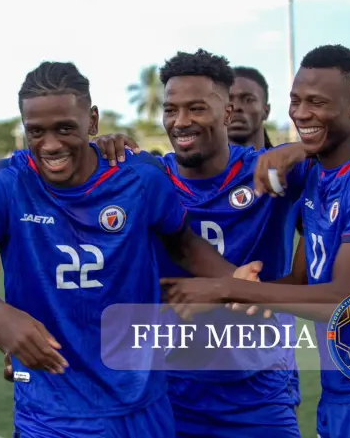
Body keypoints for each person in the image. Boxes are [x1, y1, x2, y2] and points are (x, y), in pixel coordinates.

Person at [0, 61, 264, 437]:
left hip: (143, 405)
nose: (51, 144)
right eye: (36, 131)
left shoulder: (139, 177)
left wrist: (236, 282)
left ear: (92, 122)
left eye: (65, 128)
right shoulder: (7, 183)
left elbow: (185, 246)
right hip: (51, 412)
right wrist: (0, 317)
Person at [165, 45, 350, 438]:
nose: (302, 113)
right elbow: (305, 282)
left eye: (317, 102)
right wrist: (244, 288)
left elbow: (345, 299)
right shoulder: (318, 178)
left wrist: (223, 288)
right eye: (296, 101)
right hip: (340, 390)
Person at [95, 50, 308, 437]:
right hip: (171, 392)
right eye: (171, 109)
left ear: (227, 113)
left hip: (258, 392)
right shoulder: (146, 178)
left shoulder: (268, 171)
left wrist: (307, 148)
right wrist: (103, 146)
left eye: (196, 108)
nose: (181, 122)